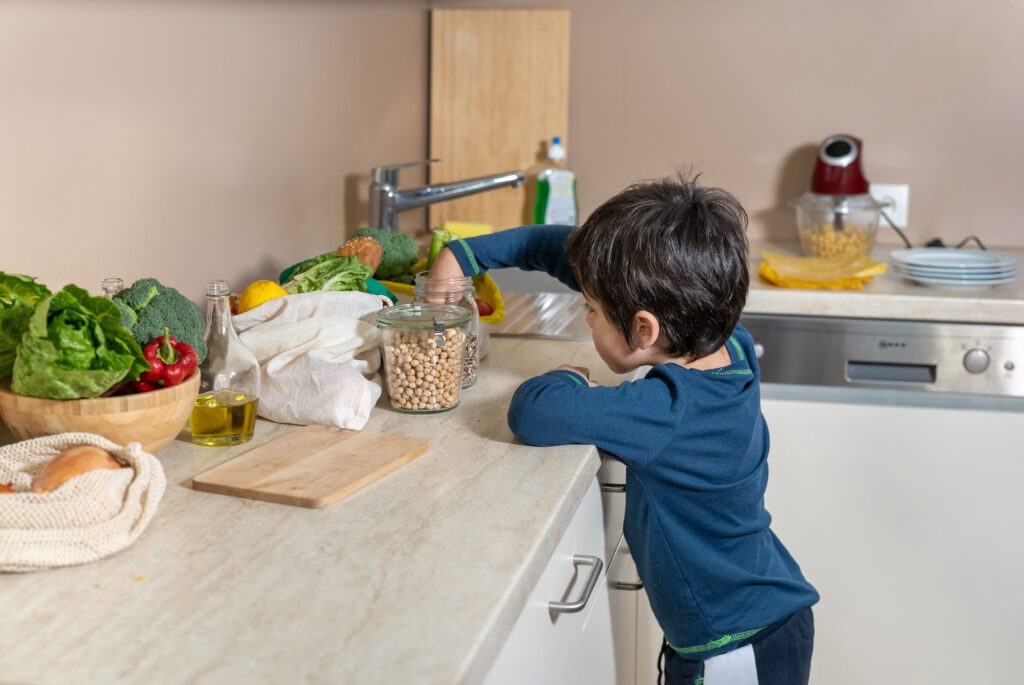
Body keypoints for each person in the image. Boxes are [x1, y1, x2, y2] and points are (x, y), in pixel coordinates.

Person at [429, 174, 818, 685]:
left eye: (590, 309)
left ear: (644, 329)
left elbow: (535, 412)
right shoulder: (728, 339)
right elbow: (565, 251)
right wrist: (465, 256)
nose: (586, 316)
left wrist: (569, 378)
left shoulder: (665, 411)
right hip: (760, 615)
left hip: (731, 648)